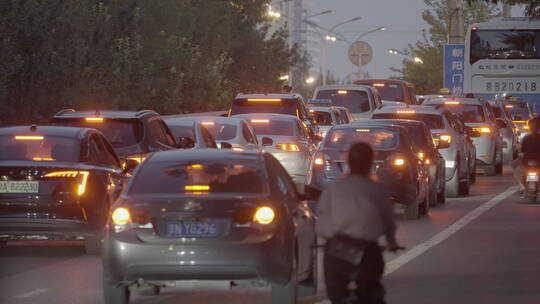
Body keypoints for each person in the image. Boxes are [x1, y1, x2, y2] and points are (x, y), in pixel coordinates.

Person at [316, 142, 401, 304]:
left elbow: (322, 220)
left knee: (336, 293)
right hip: (368, 251)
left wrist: (328, 238)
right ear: (370, 163)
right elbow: (389, 221)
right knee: (372, 292)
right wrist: (392, 242)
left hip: (337, 251)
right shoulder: (376, 189)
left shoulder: (334, 188)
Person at [513, 116, 540, 191]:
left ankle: (521, 186)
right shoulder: (527, 137)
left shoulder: (526, 138)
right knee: (518, 169)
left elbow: (522, 149)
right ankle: (522, 185)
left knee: (517, 169)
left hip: (528, 159)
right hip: (532, 160)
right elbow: (521, 150)